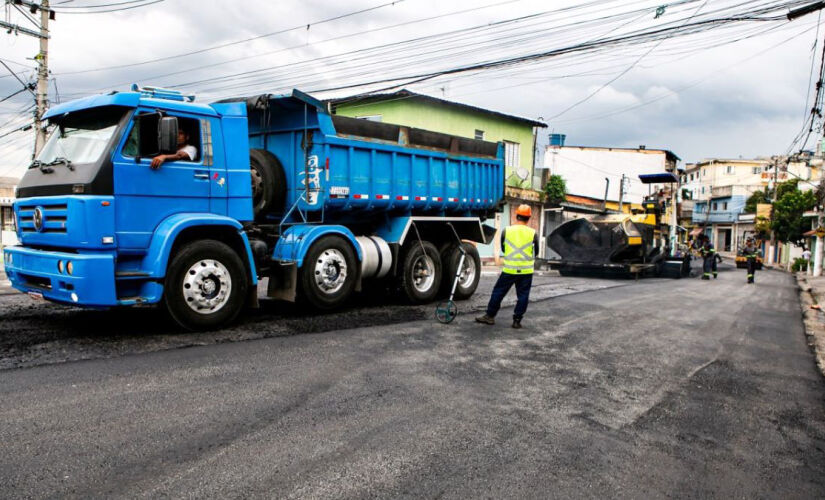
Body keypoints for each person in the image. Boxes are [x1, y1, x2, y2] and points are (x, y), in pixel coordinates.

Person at [475, 204, 538, 329]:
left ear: (516, 216)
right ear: (528, 218)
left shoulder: (507, 230)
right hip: (526, 271)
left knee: (498, 292)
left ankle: (490, 316)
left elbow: (504, 248)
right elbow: (536, 251)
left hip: (509, 269)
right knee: (523, 296)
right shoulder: (533, 233)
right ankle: (517, 321)